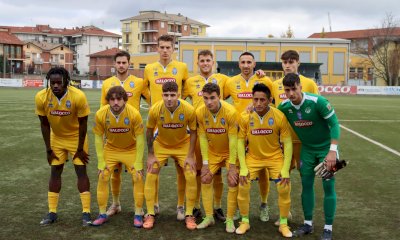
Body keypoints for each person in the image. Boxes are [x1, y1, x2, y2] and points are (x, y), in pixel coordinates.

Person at [278, 73, 340, 240]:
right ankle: (308, 224)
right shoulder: (283, 107)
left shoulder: (317, 102)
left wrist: (332, 151)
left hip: (326, 150)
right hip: (307, 150)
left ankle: (328, 227)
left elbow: (334, 124)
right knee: (306, 185)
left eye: (294, 89)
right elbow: (272, 118)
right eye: (287, 90)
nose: (291, 93)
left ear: (300, 87)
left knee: (328, 186)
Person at [35, 67, 91, 226]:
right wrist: (48, 149)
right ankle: (52, 213)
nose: (55, 86)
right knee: (55, 172)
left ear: (66, 81)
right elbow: (44, 124)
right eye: (52, 83)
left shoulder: (78, 96)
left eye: (59, 82)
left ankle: (86, 213)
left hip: (76, 138)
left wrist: (80, 149)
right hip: (57, 139)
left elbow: (83, 123)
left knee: (81, 171)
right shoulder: (41, 97)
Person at [236, 83, 293, 237]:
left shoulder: (279, 116)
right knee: (243, 185)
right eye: (255, 100)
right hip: (253, 158)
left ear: (269, 100)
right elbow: (240, 142)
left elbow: (287, 143)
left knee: (284, 187)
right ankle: (245, 221)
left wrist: (285, 169)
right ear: (252, 100)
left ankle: (283, 223)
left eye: (262, 100)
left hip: (275, 157)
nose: (259, 103)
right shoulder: (245, 117)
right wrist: (242, 167)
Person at [271, 50, 319, 225]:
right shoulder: (275, 84)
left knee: (306, 178)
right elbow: (272, 109)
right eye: (284, 62)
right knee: (282, 176)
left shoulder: (309, 84)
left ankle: (308, 218)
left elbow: (317, 109)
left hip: (304, 142)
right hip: (283, 141)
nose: (288, 65)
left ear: (298, 63)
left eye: (291, 62)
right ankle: (286, 213)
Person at [223, 51, 273, 222]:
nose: (245, 65)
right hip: (239, 133)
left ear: (254, 64)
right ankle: (238, 206)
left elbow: (271, 102)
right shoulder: (230, 82)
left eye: (249, 62)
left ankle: (264, 204)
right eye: (242, 62)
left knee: (263, 170)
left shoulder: (264, 80)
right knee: (238, 170)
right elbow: (219, 100)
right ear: (238, 64)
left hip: (260, 132)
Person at [99, 51, 150, 218]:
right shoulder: (107, 83)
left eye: (124, 62)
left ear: (129, 64)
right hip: (114, 136)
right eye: (118, 62)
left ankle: (143, 208)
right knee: (114, 174)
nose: (121, 65)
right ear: (114, 64)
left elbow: (153, 101)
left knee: (137, 175)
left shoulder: (139, 82)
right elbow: (103, 109)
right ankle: (115, 204)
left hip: (133, 136)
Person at [143, 35, 189, 220]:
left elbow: (186, 90)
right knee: (155, 166)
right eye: (161, 47)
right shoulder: (149, 68)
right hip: (157, 121)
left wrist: (180, 103)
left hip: (177, 121)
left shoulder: (182, 68)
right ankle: (153, 204)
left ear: (173, 49)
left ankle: (180, 205)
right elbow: (143, 89)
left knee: (181, 168)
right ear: (157, 48)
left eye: (168, 47)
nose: (164, 50)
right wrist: (153, 103)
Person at [182, 50, 229, 220]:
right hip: (198, 131)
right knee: (198, 170)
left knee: (216, 172)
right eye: (202, 60)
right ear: (197, 62)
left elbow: (237, 95)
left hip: (217, 132)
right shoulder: (190, 81)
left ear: (213, 61)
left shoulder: (223, 79)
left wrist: (259, 75)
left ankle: (217, 206)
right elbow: (180, 100)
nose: (205, 63)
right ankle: (195, 206)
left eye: (208, 60)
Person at [143, 81, 197, 230]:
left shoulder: (188, 109)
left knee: (190, 174)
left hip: (182, 144)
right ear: (162, 95)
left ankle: (188, 212)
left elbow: (193, 132)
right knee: (151, 172)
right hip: (161, 144)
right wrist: (150, 154)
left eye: (172, 95)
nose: (169, 98)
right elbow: (148, 131)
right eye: (166, 95)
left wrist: (191, 155)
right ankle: (149, 213)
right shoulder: (155, 109)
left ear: (178, 95)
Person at [91, 86, 145, 227]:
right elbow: (98, 138)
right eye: (112, 99)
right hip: (111, 149)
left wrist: (139, 162)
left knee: (138, 176)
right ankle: (103, 213)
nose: (115, 102)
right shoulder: (101, 114)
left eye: (119, 99)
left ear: (124, 100)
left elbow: (140, 139)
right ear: (108, 101)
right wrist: (100, 161)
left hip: (130, 149)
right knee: (103, 175)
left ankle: (138, 213)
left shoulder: (134, 114)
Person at [195, 83, 239, 233]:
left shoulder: (230, 112)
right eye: (205, 98)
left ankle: (230, 219)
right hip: (213, 152)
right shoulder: (200, 112)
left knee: (233, 181)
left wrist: (232, 165)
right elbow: (202, 138)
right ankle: (209, 217)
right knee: (205, 178)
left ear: (219, 97)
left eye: (212, 98)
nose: (209, 102)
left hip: (230, 153)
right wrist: (205, 163)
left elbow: (234, 140)